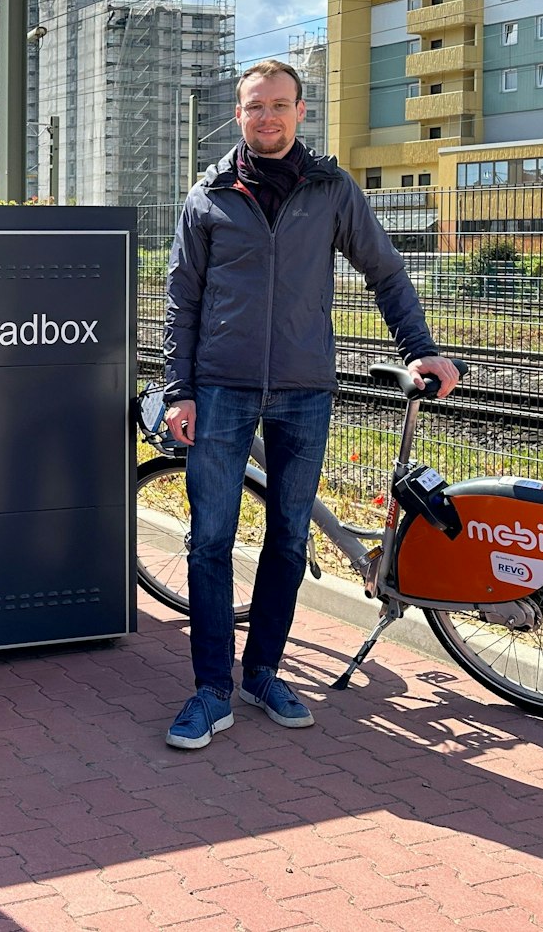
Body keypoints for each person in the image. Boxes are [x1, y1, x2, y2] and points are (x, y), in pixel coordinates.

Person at [159, 58, 457, 749]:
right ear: (239, 114)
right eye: (255, 105)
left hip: (302, 389)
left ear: (300, 111)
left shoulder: (331, 189)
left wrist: (420, 347)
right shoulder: (207, 197)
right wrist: (179, 391)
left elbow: (384, 270)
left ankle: (263, 671)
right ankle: (210, 688)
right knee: (209, 542)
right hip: (220, 389)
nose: (268, 116)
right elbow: (181, 302)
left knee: (288, 538)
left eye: (280, 105)